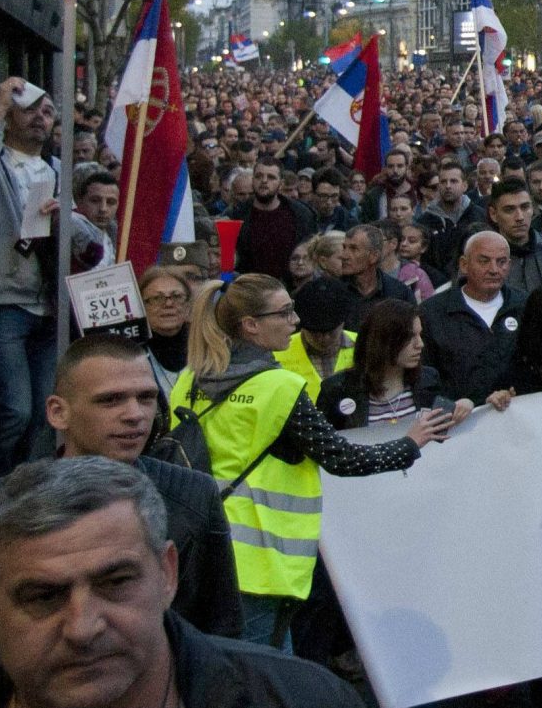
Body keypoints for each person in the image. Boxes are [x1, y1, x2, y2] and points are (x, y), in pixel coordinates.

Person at [0, 337, 243, 708]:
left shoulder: (193, 496)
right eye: (110, 400)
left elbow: (222, 636)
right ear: (57, 412)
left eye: (146, 398)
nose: (135, 414)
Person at [0, 456, 355, 708]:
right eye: (43, 596)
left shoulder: (304, 698)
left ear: (168, 574)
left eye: (115, 583)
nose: (83, 628)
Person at [174, 274, 455, 648]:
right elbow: (342, 458)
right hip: (260, 561)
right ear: (251, 325)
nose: (296, 322)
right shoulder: (279, 386)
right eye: (286, 312)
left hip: (201, 551)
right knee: (260, 678)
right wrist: (410, 443)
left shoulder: (189, 380)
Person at [0, 77, 69, 485]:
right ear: (9, 118)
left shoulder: (59, 170)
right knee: (13, 409)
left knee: (40, 413)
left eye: (47, 112)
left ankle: (15, 493)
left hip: (46, 305)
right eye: (30, 110)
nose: (40, 119)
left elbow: (80, 236)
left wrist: (65, 221)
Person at [418, 228, 524, 416]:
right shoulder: (432, 313)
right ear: (464, 265)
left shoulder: (524, 305)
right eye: (484, 261)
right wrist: (455, 408)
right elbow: (423, 381)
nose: (494, 270)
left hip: (516, 421)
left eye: (501, 262)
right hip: (456, 428)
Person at [317, 299, 460, 430]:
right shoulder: (337, 390)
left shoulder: (428, 380)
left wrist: (464, 406)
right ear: (384, 341)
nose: (420, 344)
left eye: (420, 335)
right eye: (410, 337)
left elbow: (444, 433)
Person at [234, 161, 317, 287]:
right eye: (259, 176)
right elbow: (228, 262)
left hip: (290, 290)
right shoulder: (236, 216)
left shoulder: (302, 215)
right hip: (248, 291)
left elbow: (312, 254)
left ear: (281, 183)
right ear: (252, 180)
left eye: (271, 177)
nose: (264, 181)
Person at [336, 223, 415, 328]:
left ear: (373, 256)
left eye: (353, 249)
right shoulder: (333, 291)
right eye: (344, 247)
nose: (343, 255)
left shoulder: (399, 293)